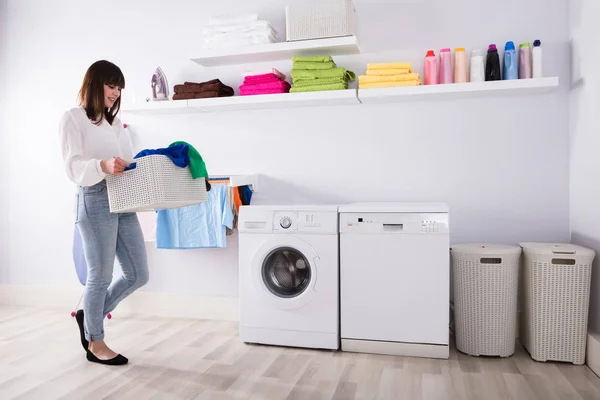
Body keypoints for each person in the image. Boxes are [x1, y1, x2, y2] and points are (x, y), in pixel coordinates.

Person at [59, 60, 149, 366]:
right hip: (95, 197)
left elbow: (127, 160)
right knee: (100, 277)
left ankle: (88, 316)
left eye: (119, 87)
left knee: (138, 274)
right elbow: (72, 167)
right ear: (95, 84)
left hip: (121, 198)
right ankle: (95, 342)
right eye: (111, 85)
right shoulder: (73, 118)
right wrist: (101, 165)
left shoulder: (114, 122)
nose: (115, 92)